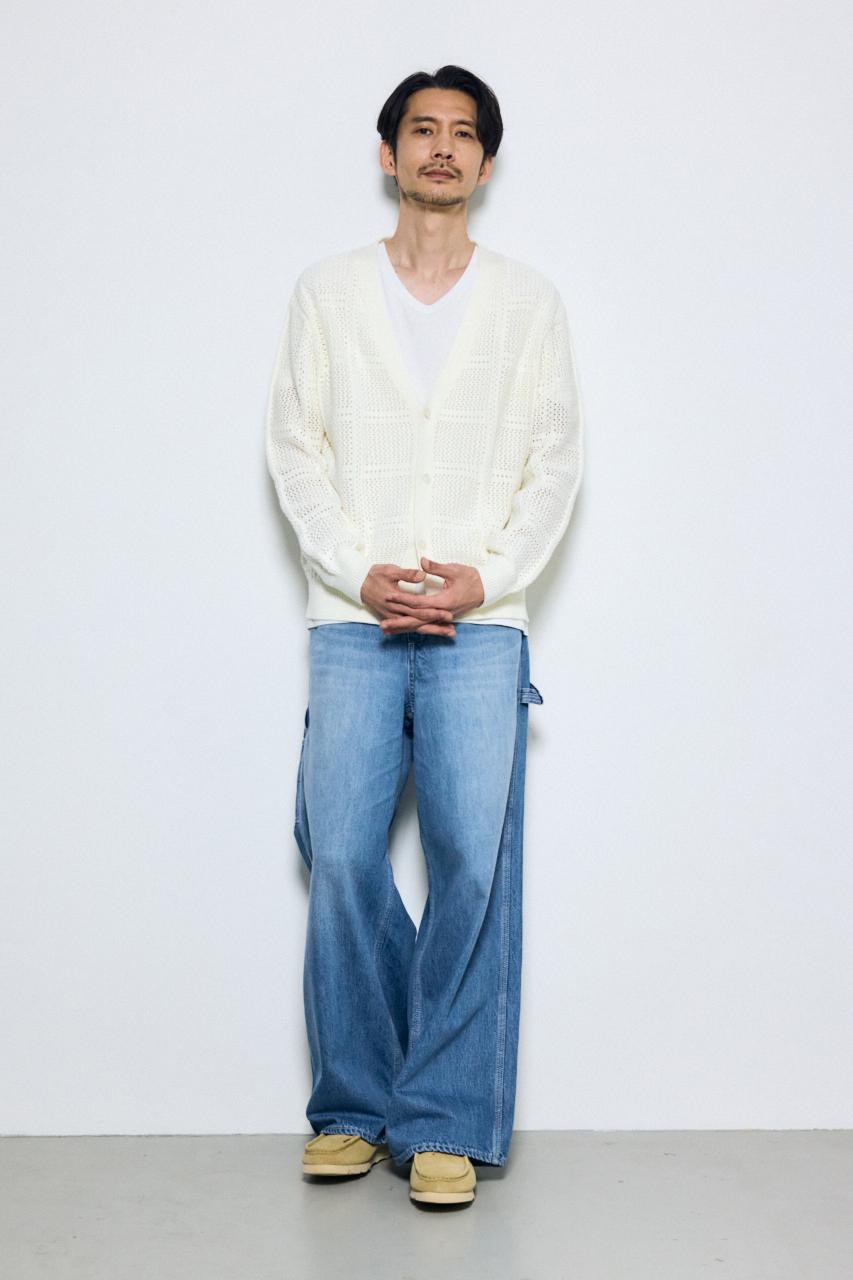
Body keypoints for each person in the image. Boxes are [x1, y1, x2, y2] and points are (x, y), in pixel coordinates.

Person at [264, 64, 584, 1207]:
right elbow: (294, 448)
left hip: (480, 626)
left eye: (462, 134)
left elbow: (556, 461)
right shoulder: (326, 290)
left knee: (470, 866)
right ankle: (356, 1101)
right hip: (353, 616)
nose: (440, 147)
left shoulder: (528, 302)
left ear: (485, 164)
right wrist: (356, 566)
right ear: (388, 152)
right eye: (420, 129)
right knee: (343, 853)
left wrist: (483, 576)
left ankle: (443, 1117)